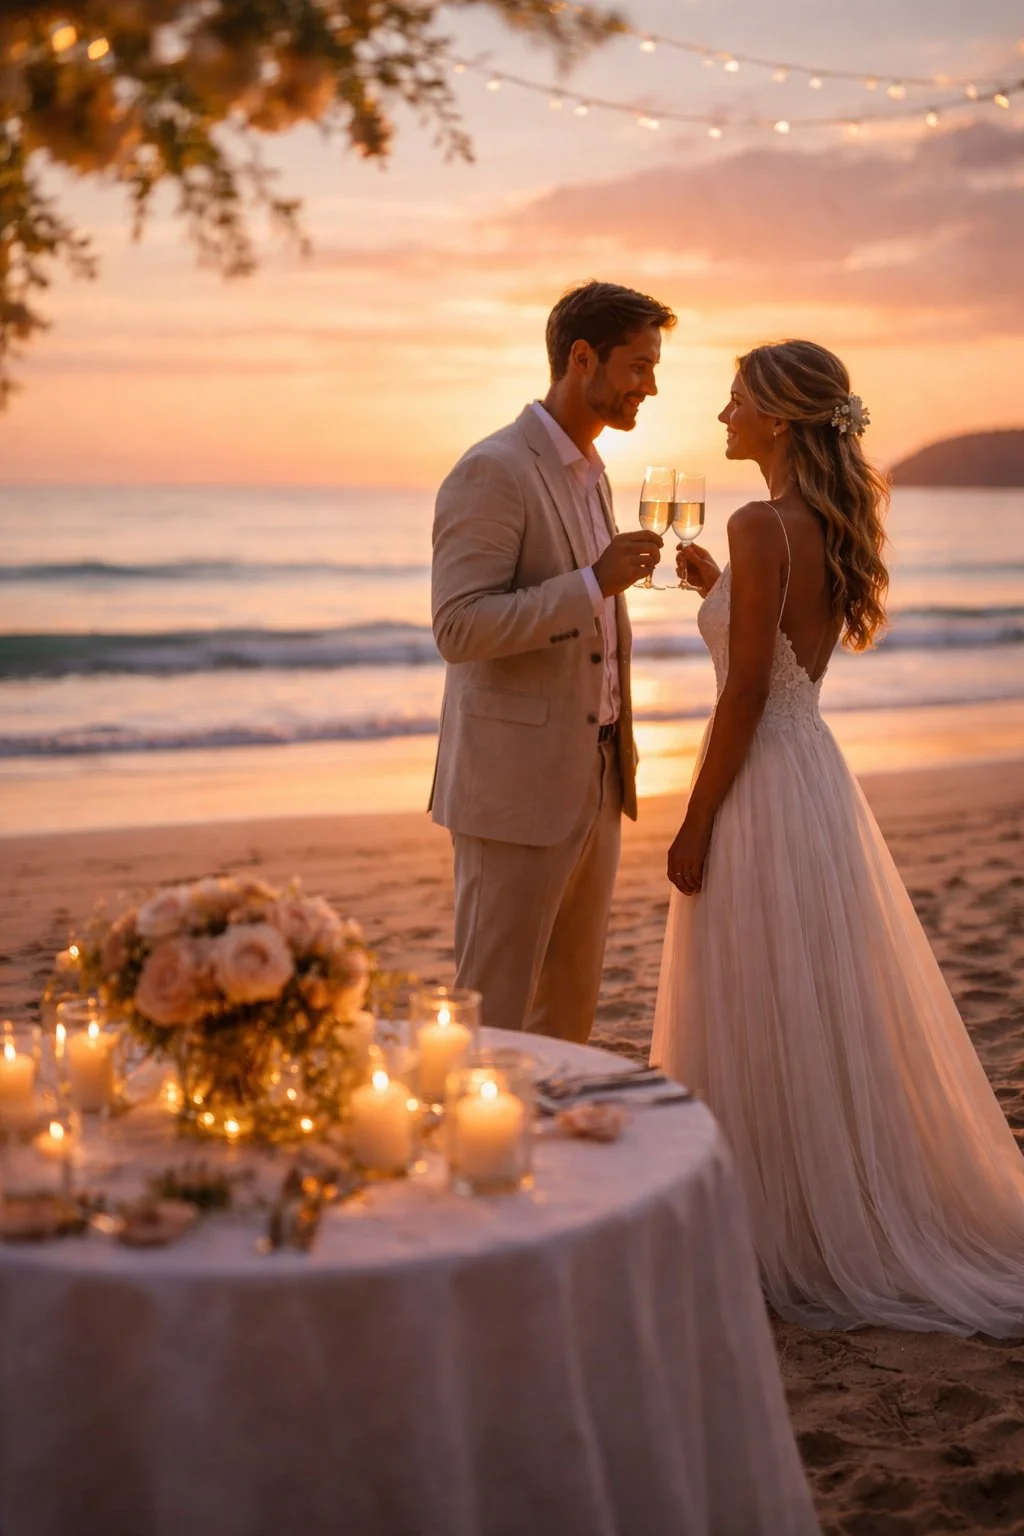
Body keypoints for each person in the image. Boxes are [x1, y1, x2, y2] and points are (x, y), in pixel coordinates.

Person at [652, 339, 1024, 1336]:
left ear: (777, 417)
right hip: (811, 770)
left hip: (761, 781)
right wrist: (713, 592)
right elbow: (780, 658)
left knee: (758, 988)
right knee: (808, 986)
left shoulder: (758, 521)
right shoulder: (819, 520)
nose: (721, 414)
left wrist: (693, 822)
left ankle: (778, 1222)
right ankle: (822, 1195)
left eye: (736, 401)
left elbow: (740, 694)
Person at [430, 280, 676, 1042]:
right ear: (581, 358)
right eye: (638, 365)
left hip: (596, 778)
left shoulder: (592, 471)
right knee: (496, 1013)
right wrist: (593, 582)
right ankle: (476, 1155)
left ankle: (549, 1155)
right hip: (513, 787)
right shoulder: (494, 469)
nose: (651, 386)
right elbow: (459, 628)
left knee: (568, 1013)